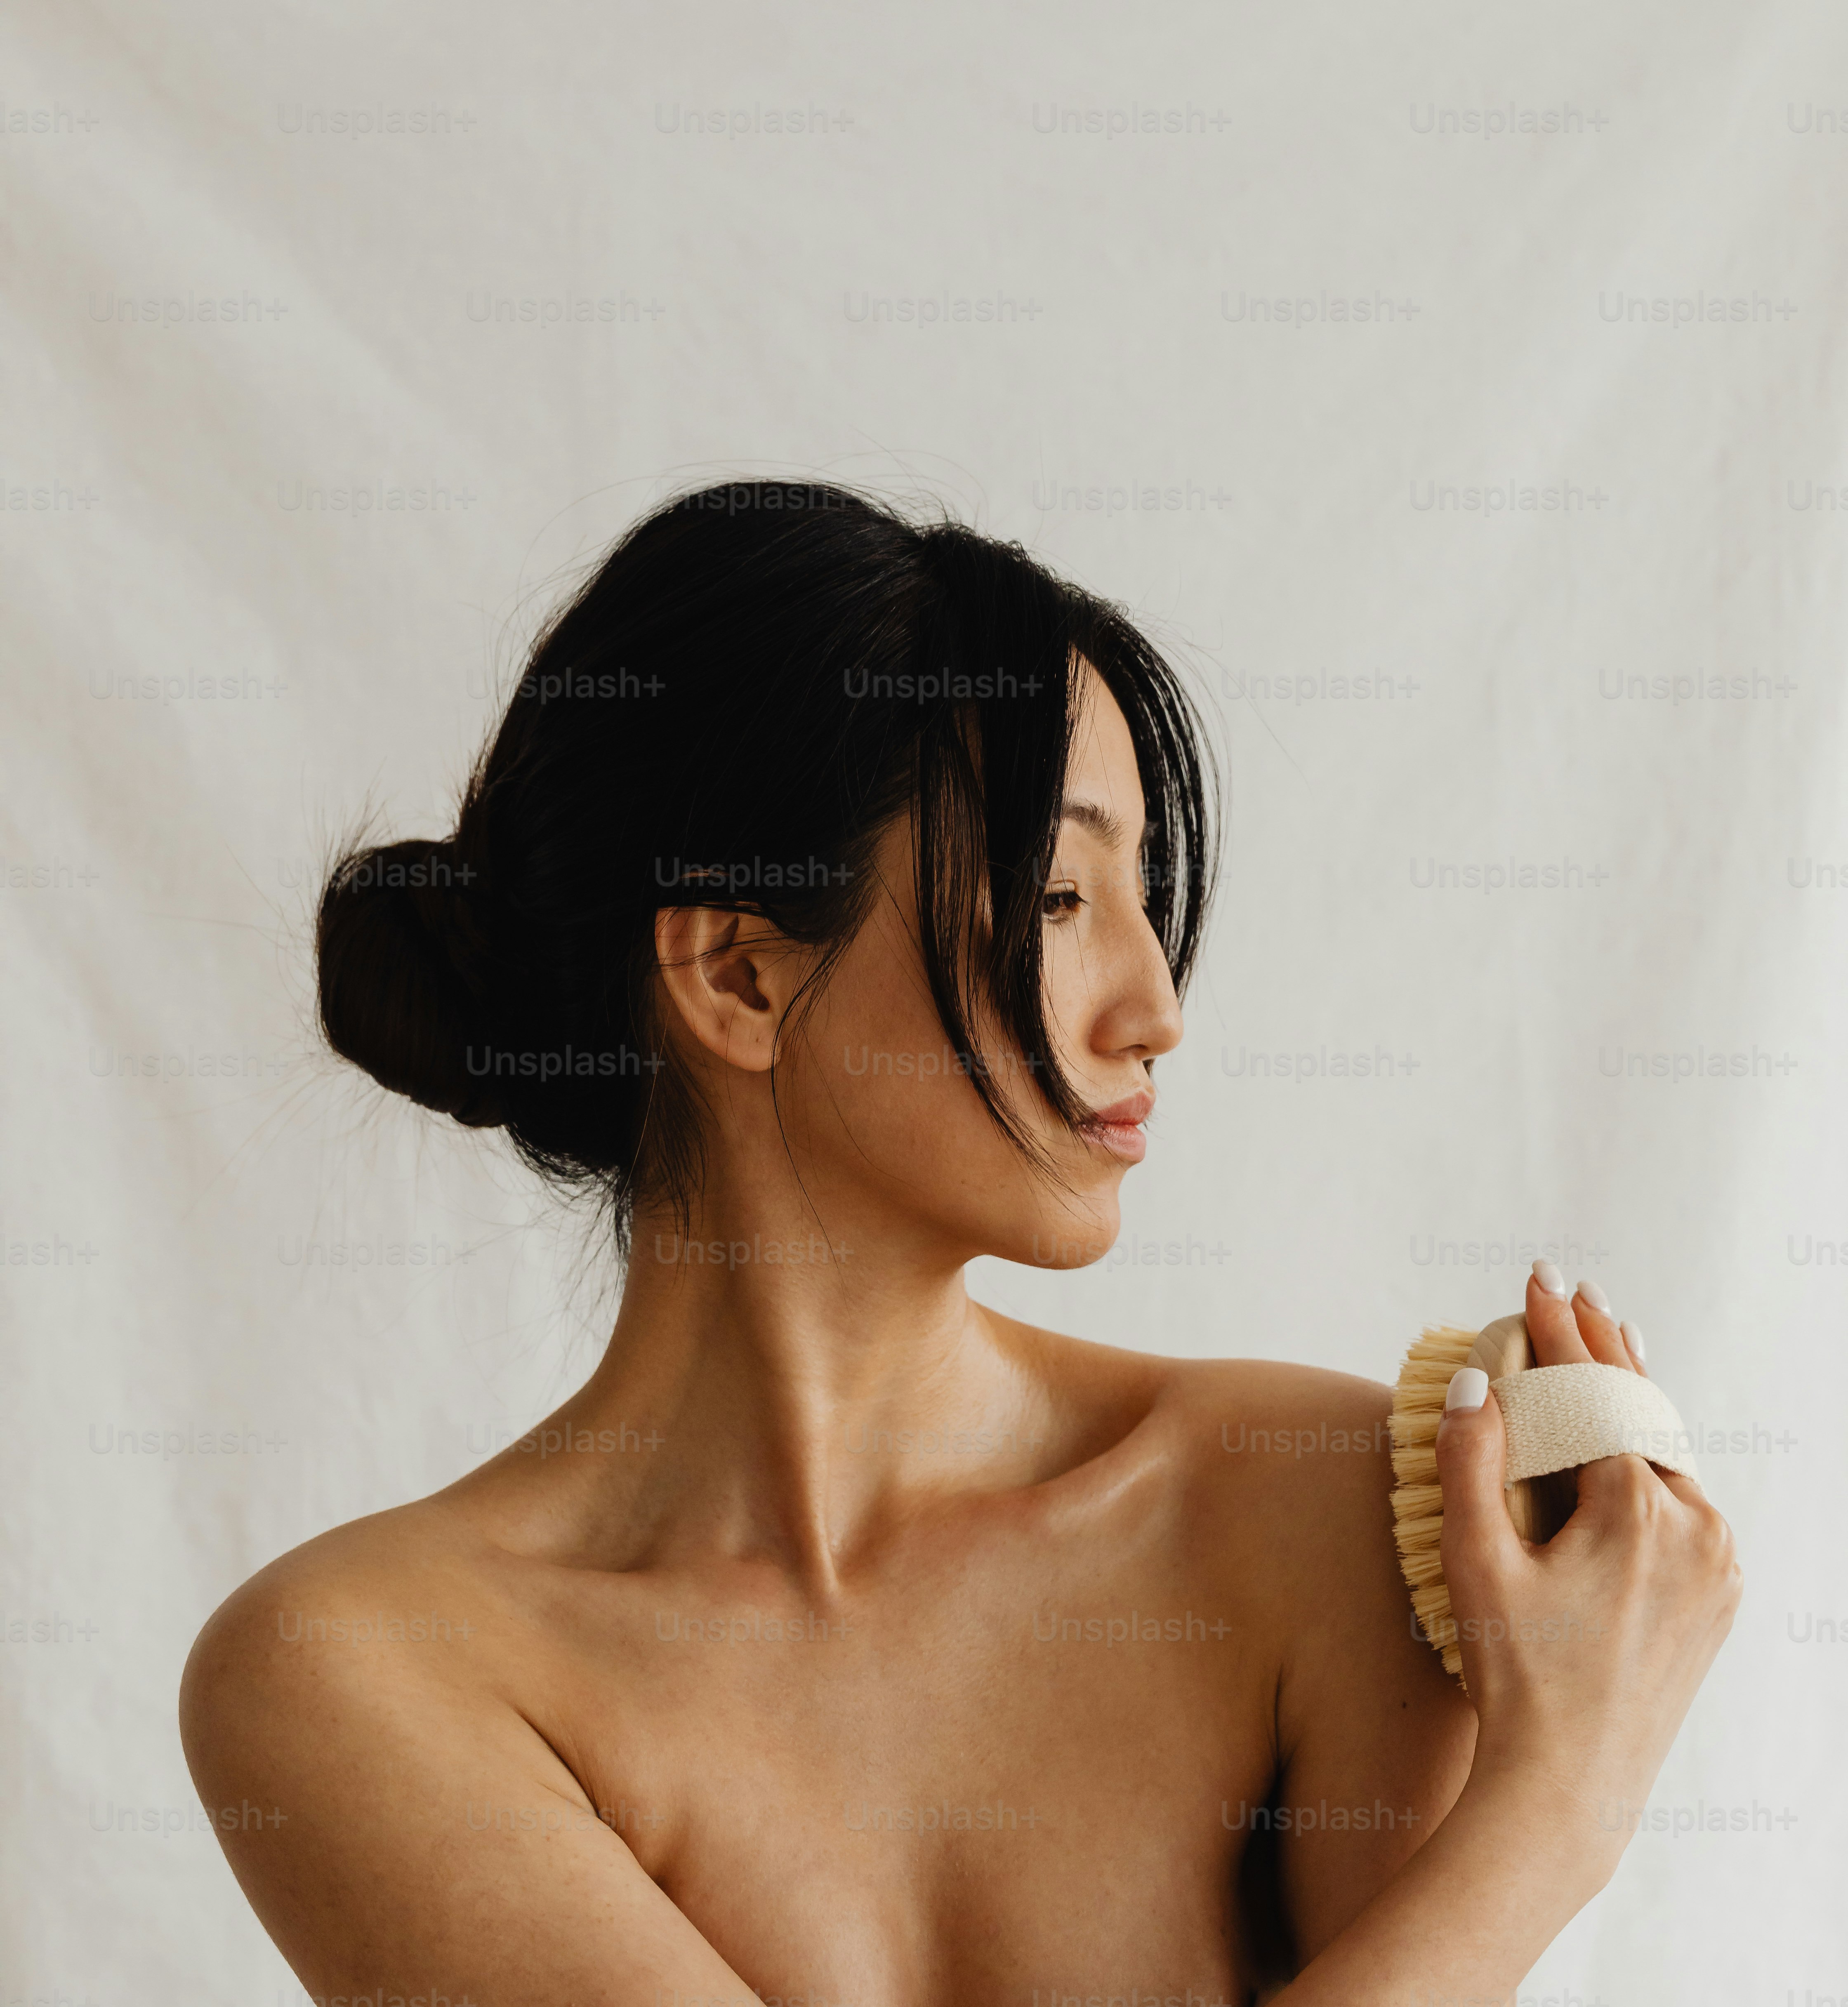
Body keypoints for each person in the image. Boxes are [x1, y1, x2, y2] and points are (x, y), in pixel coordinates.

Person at [179, 481, 1741, 2007]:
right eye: (1058, 893)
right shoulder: (360, 1672)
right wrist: (1555, 1813)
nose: (1156, 1010)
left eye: (1142, 891)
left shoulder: (1323, 1517)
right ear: (738, 975)